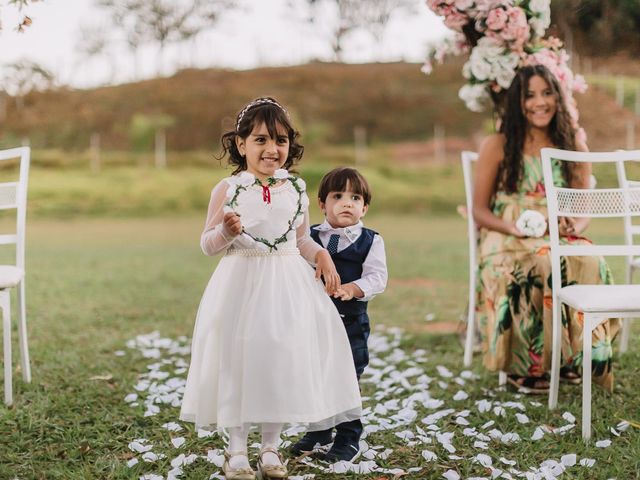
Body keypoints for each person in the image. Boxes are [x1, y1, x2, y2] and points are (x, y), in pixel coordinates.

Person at [179, 97, 362, 480]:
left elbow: (299, 240)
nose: (271, 149)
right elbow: (207, 245)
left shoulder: (294, 187)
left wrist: (322, 256)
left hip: (286, 286)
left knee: (280, 358)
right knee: (239, 360)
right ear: (241, 144)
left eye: (279, 140)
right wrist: (226, 232)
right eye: (260, 140)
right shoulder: (229, 188)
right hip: (240, 285)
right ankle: (236, 450)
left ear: (289, 146)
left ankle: (270, 448)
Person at [473, 65, 619, 394]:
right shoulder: (498, 144)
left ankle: (575, 358)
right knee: (537, 263)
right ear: (517, 102)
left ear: (558, 97)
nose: (540, 102)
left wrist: (572, 224)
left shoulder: (574, 144)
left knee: (589, 260)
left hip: (557, 229)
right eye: (529, 95)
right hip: (507, 232)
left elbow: (583, 208)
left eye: (547, 93)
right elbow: (480, 211)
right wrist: (511, 225)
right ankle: (529, 364)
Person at [290, 167, 387, 462]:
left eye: (355, 197)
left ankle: (349, 436)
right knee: (316, 375)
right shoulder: (310, 238)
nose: (347, 203)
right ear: (322, 204)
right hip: (315, 323)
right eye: (338, 196)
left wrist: (353, 289)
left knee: (346, 379)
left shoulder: (370, 241)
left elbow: (377, 278)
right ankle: (320, 429)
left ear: (365, 207)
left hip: (350, 324)